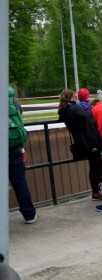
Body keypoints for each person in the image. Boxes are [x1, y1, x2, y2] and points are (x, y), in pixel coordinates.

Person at [58, 89, 102, 201]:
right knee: (97, 166)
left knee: (94, 165)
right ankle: (99, 190)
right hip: (89, 141)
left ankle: (96, 191)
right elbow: (88, 119)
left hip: (82, 142)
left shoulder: (63, 110)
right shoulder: (74, 109)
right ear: (74, 97)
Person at [8, 86, 38, 224]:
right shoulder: (12, 99)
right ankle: (29, 215)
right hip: (14, 147)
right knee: (20, 183)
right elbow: (19, 119)